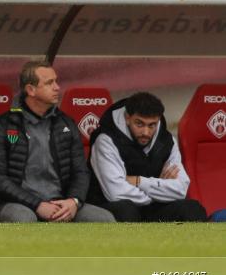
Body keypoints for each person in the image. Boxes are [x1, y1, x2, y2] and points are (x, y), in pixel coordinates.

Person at [0, 61, 115, 223]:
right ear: (31, 90)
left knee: (103, 218)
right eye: (49, 83)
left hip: (60, 202)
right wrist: (37, 204)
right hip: (14, 203)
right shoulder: (2, 125)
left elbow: (81, 172)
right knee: (23, 217)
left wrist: (74, 201)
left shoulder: (66, 124)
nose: (57, 87)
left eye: (56, 81)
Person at [88, 92, 208, 222]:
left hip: (152, 207)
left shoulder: (167, 141)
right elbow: (116, 193)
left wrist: (139, 181)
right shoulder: (105, 140)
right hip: (111, 206)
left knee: (193, 209)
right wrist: (160, 191)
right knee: (127, 210)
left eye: (152, 125)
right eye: (139, 124)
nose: (146, 132)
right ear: (127, 118)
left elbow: (180, 189)